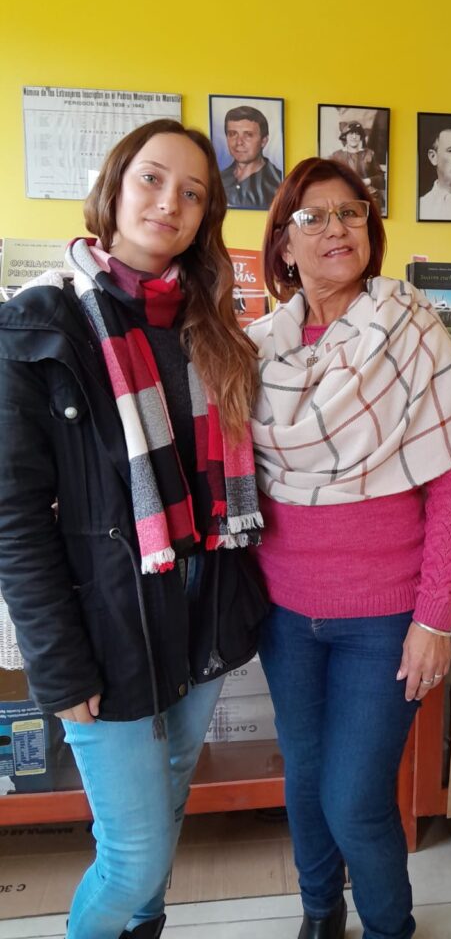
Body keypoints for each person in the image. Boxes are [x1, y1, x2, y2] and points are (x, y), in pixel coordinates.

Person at [0, 119, 268, 939]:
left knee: (168, 810)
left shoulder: (213, 328)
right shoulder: (40, 324)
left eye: (192, 192)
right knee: (135, 859)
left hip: (200, 613)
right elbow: (14, 519)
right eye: (152, 179)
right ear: (114, 186)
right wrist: (57, 663)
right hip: (108, 623)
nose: (168, 203)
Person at [248, 157, 451, 939]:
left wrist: (436, 619)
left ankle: (390, 928)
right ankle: (320, 914)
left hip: (385, 619)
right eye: (313, 217)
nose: (337, 228)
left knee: (354, 798)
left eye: (351, 212)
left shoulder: (413, 331)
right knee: (305, 779)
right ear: (283, 245)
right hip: (284, 614)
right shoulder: (256, 350)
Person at [219, 105, 283, 209]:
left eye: (248, 135)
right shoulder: (218, 180)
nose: (239, 142)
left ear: (263, 141)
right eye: (233, 134)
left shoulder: (278, 183)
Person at [330, 120, 386, 212]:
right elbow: (329, 180)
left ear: (361, 137)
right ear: (345, 136)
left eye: (357, 134)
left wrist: (367, 181)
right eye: (351, 133)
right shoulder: (336, 156)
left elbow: (381, 178)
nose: (354, 137)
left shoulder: (369, 154)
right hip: (343, 198)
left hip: (367, 197)